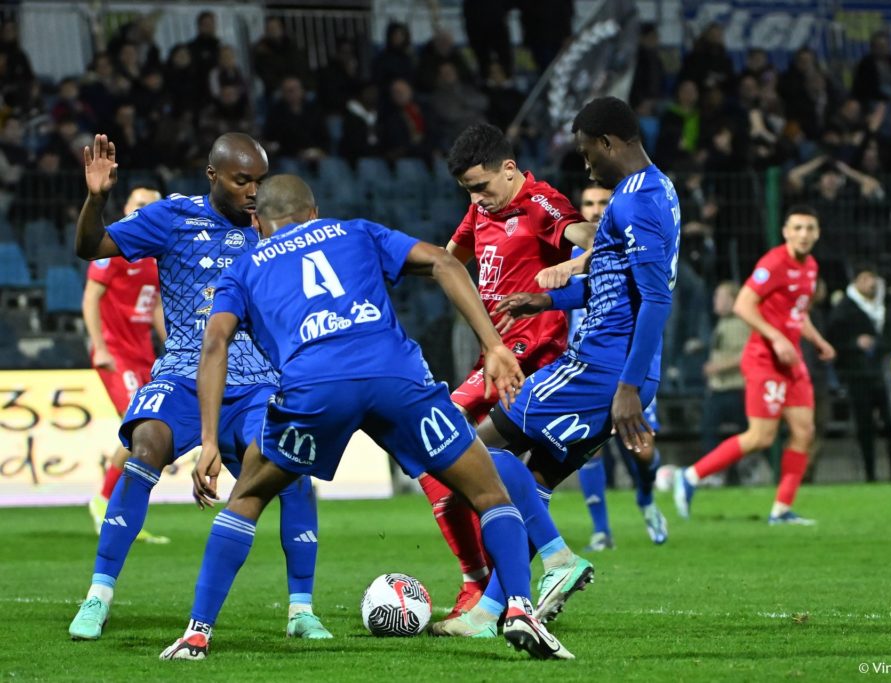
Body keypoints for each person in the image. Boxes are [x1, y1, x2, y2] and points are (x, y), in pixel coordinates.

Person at [159, 175, 572, 661]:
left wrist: (209, 439)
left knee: (247, 496)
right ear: (314, 211)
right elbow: (444, 262)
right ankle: (520, 609)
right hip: (394, 377)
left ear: (257, 222)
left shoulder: (244, 267)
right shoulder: (355, 230)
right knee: (489, 492)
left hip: (316, 389)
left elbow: (214, 343)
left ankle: (196, 634)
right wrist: (494, 346)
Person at [68, 133, 330, 643]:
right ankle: (98, 595)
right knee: (146, 444)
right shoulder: (172, 217)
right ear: (213, 176)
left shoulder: (275, 226)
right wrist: (96, 199)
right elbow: (89, 247)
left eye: (260, 181)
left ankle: (301, 610)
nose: (254, 192)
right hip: (185, 369)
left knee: (290, 465)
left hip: (255, 380)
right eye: (242, 181)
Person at [445, 96, 680, 637]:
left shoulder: (636, 202)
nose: (586, 166)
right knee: (535, 482)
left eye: (587, 152)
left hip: (598, 369)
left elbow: (655, 298)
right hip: (615, 372)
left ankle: (558, 559)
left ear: (608, 143)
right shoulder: (656, 189)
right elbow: (614, 285)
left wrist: (627, 387)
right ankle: (490, 611)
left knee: (475, 452)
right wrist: (546, 301)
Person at [419, 122, 596, 620]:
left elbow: (588, 235)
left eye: (481, 186)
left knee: (438, 442)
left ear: (510, 169)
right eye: (467, 190)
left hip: (531, 357)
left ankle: (485, 584)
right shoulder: (481, 209)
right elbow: (449, 261)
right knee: (478, 476)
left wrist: (573, 263)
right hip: (494, 355)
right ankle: (493, 588)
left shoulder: (541, 203)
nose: (476, 198)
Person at [674, 205, 836, 525]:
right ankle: (690, 476)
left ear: (817, 233)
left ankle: (781, 510)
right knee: (761, 436)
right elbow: (743, 304)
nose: (803, 234)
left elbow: (797, 313)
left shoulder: (810, 267)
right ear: (786, 232)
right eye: (797, 228)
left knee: (804, 431)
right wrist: (776, 338)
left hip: (791, 360)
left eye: (810, 228)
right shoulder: (773, 263)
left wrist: (818, 341)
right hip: (765, 360)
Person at [573, 183, 668, 550]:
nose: (596, 209)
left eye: (603, 202)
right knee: (587, 448)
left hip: (631, 365)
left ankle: (646, 497)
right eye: (589, 203)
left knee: (642, 450)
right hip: (587, 364)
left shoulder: (633, 247)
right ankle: (601, 531)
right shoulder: (569, 255)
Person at [84, 185, 168, 543]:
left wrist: (173, 345)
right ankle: (104, 500)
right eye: (139, 204)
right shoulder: (115, 246)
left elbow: (156, 305)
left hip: (144, 355)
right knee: (139, 428)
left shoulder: (156, 255)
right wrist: (100, 348)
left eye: (151, 206)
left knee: (150, 433)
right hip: (116, 353)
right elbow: (91, 298)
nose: (143, 209)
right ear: (126, 207)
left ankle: (121, 511)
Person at [827, 264, 891, 482]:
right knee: (865, 427)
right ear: (855, 283)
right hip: (858, 376)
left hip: (888, 376)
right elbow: (834, 341)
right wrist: (854, 344)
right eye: (864, 279)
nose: (869, 283)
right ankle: (869, 473)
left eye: (872, 278)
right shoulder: (844, 309)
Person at [690, 281, 749, 496]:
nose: (715, 300)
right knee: (711, 430)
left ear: (732, 300)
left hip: (735, 388)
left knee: (744, 435)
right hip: (720, 388)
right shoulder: (723, 322)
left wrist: (718, 367)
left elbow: (745, 355)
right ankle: (723, 472)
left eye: (720, 296)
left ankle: (721, 472)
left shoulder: (741, 324)